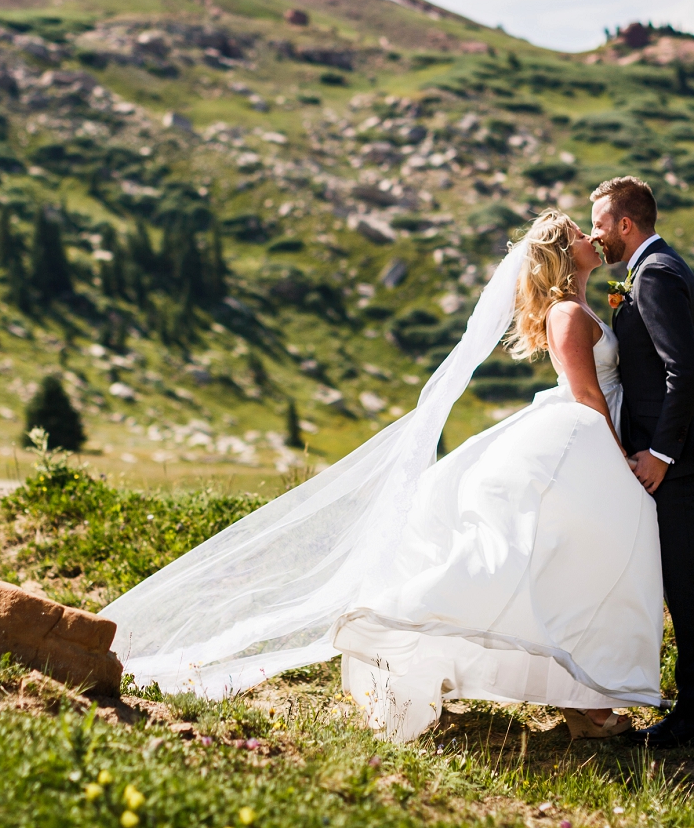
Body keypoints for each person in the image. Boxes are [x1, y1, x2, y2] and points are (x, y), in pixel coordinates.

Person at [101, 210, 664, 743]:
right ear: (567, 252)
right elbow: (588, 397)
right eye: (581, 231)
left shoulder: (580, 306)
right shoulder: (567, 312)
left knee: (563, 561)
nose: (595, 235)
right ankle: (550, 688)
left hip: (581, 440)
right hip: (578, 441)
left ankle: (585, 700)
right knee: (539, 559)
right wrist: (621, 460)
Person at [589, 176, 694, 748]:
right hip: (672, 453)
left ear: (626, 224)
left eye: (600, 223)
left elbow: (683, 371)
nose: (595, 234)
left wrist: (659, 454)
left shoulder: (653, 274)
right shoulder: (654, 268)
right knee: (686, 578)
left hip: (675, 458)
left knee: (683, 584)